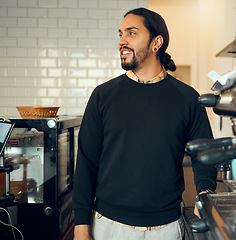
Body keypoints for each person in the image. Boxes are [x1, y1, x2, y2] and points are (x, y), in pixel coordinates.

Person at [73, 7, 217, 240]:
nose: (121, 41)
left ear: (156, 43)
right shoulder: (103, 95)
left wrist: (204, 197)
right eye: (120, 34)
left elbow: (205, 156)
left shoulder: (188, 98)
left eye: (131, 33)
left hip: (166, 229)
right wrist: (81, 224)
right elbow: (87, 162)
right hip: (107, 227)